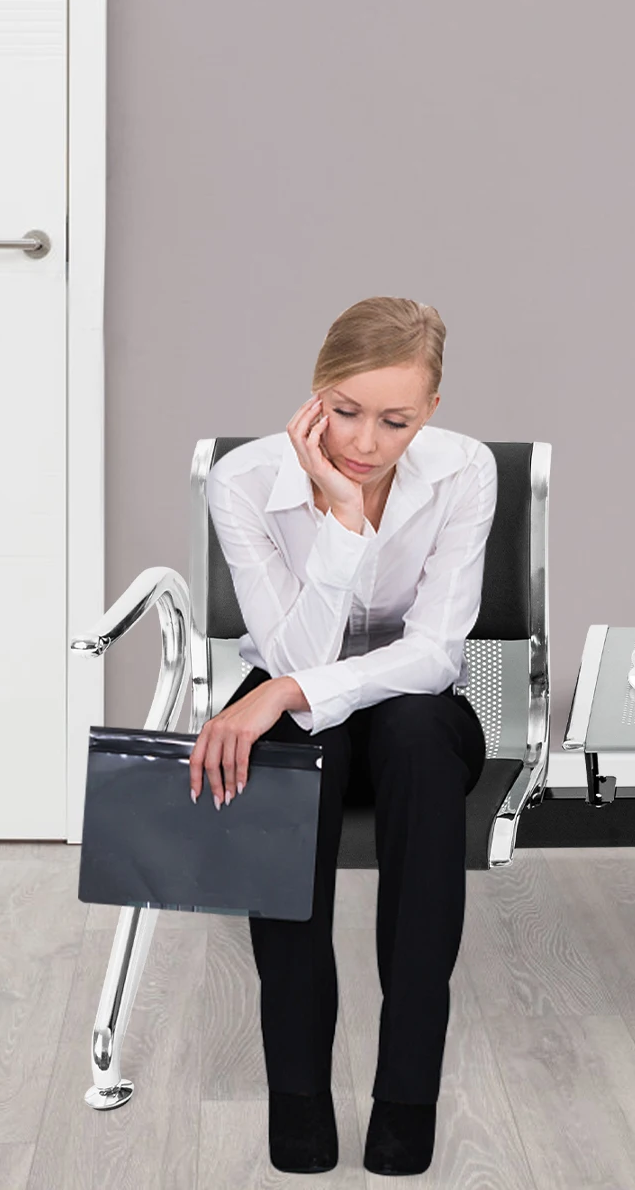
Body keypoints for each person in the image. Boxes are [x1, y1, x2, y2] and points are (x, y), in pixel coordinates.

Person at [188, 296, 494, 1176]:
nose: (364, 442)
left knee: (414, 737)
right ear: (315, 391)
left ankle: (406, 1096)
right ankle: (298, 1097)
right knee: (284, 751)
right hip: (289, 703)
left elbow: (436, 655)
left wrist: (280, 690)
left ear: (430, 410)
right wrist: (342, 517)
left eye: (394, 421)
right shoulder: (245, 481)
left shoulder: (464, 470)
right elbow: (295, 649)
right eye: (346, 410)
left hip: (416, 711)